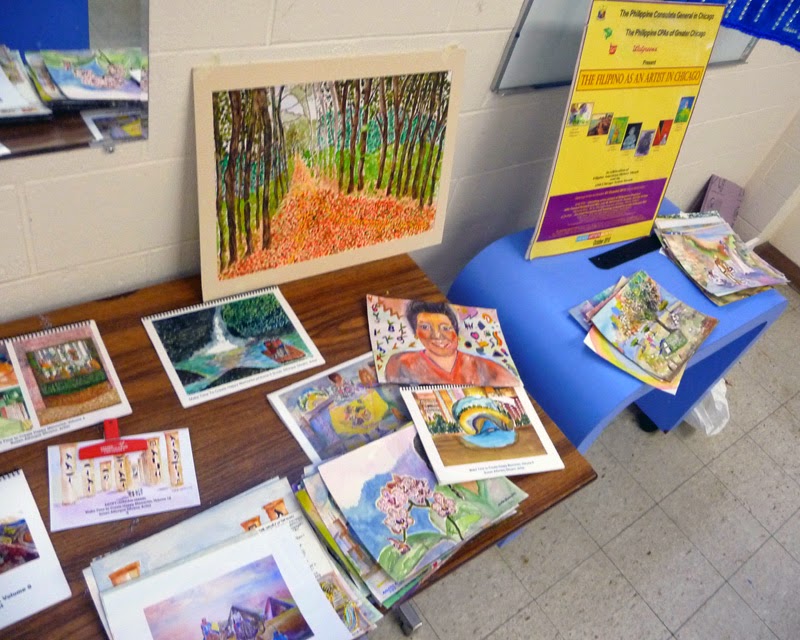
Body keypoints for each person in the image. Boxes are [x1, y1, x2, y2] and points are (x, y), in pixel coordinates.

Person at [384, 301, 519, 386]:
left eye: (445, 328)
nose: (437, 335)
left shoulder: (488, 369)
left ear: (456, 332)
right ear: (416, 333)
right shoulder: (400, 364)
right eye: (425, 327)